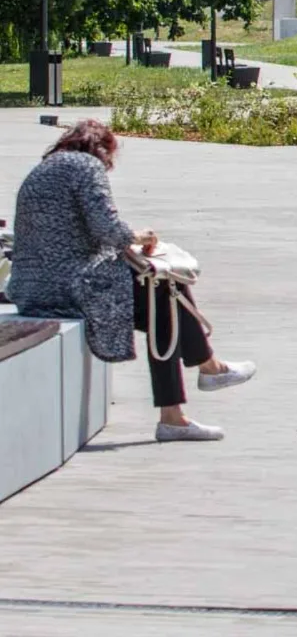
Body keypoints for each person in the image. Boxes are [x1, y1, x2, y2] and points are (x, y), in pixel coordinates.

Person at [7, 120, 254, 442]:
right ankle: (199, 380)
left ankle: (196, 386)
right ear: (103, 149)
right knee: (163, 289)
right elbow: (106, 228)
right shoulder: (85, 166)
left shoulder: (43, 170)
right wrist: (140, 236)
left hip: (33, 289)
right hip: (70, 287)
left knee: (162, 296)